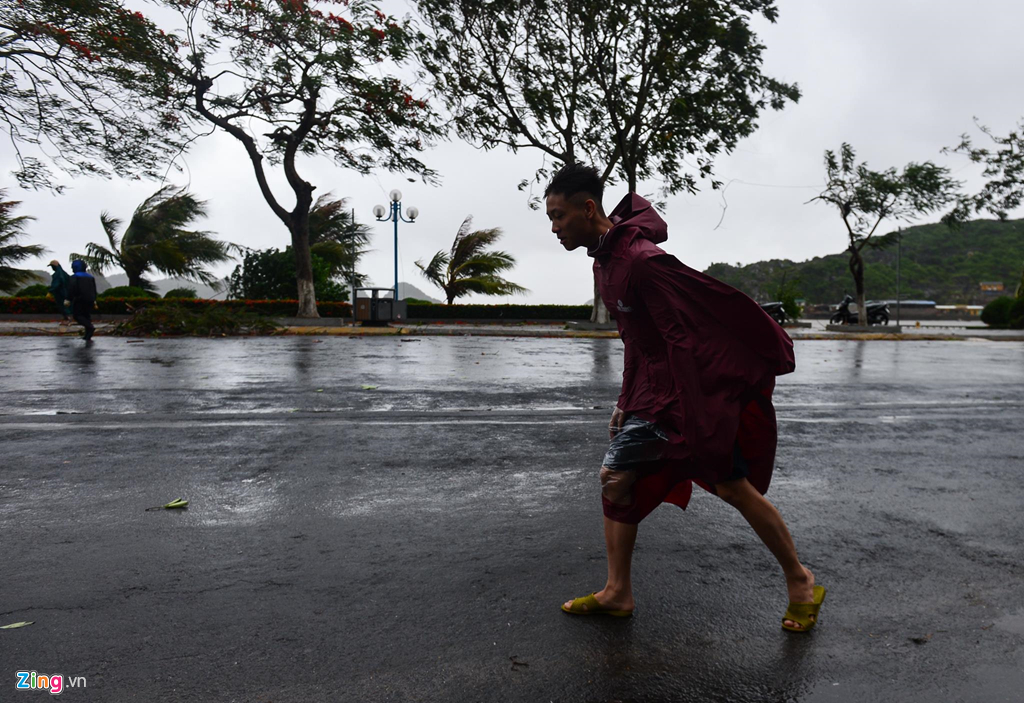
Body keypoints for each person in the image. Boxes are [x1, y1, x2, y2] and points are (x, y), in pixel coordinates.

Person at [547, 163, 825, 632]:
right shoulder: (605, 261)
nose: (554, 228)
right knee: (617, 478)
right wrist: (625, 400)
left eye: (558, 216)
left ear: (587, 208)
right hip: (652, 396)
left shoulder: (641, 261)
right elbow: (635, 338)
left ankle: (801, 582)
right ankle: (617, 592)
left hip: (683, 397)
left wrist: (697, 417)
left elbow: (682, 341)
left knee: (729, 484)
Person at [66, 260, 97, 341]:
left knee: (77, 315)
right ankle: (88, 335)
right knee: (86, 315)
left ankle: (90, 327)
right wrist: (94, 300)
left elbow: (71, 289)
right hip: (90, 299)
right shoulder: (90, 277)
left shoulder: (74, 277)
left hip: (79, 299)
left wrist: (68, 299)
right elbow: (94, 289)